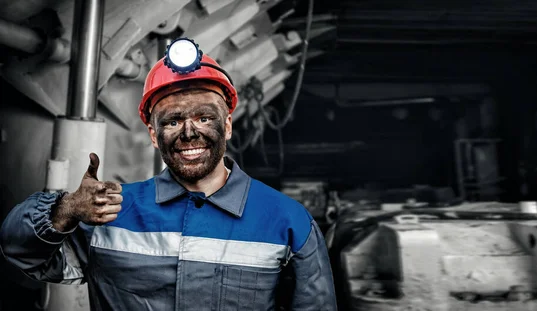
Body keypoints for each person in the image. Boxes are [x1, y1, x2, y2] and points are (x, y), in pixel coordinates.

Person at [0, 38, 337, 310]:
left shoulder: (287, 221)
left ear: (228, 125)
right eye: (173, 121)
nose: (189, 133)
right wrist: (66, 210)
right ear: (153, 134)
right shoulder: (110, 213)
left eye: (205, 118)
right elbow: (19, 251)